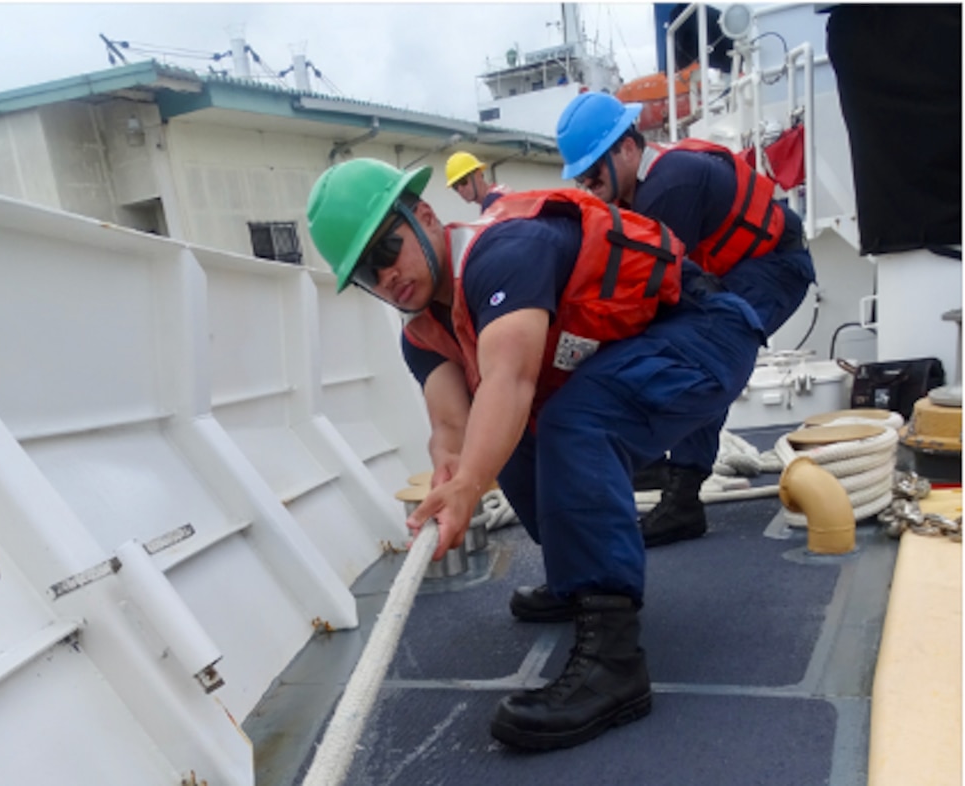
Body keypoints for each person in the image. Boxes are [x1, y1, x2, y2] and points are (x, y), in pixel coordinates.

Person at [306, 157, 764, 751]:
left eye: (387, 250)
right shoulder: (420, 329)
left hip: (707, 334)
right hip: (639, 360)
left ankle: (615, 665)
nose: (385, 276)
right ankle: (579, 578)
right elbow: (452, 424)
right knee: (520, 434)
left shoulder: (504, 251)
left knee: (573, 418)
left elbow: (510, 379)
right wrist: (452, 470)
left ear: (422, 217)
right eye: (367, 274)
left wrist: (471, 483)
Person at [554, 91, 816, 556]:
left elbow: (650, 297)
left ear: (628, 149)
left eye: (595, 172)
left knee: (706, 351)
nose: (589, 185)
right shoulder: (642, 190)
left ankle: (683, 498)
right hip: (740, 268)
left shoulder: (668, 188)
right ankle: (653, 459)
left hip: (775, 268)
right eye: (582, 177)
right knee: (683, 340)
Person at [445, 151, 511, 210]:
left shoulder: (494, 199)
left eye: (463, 181)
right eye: (455, 187)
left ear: (478, 174)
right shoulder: (500, 193)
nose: (460, 189)